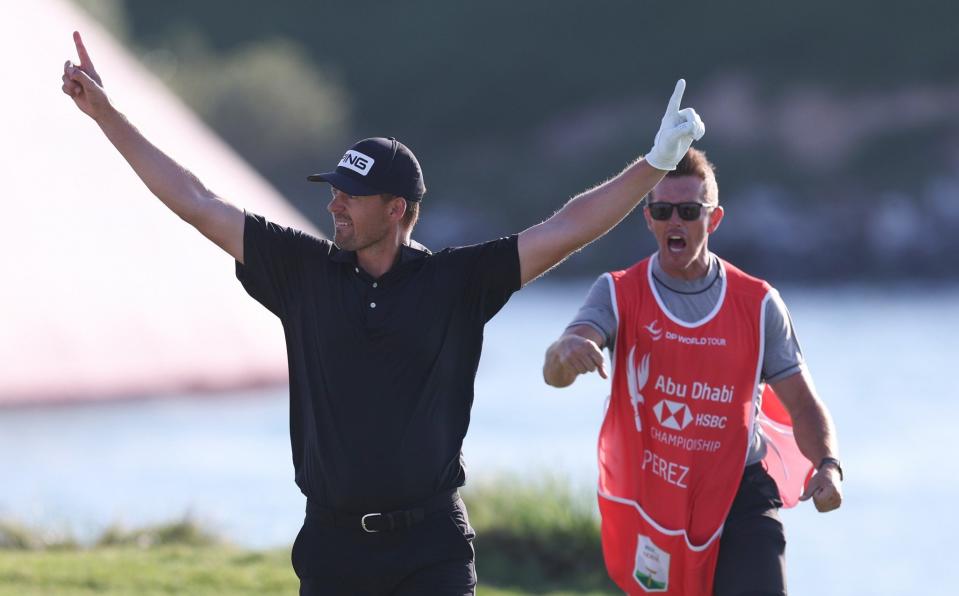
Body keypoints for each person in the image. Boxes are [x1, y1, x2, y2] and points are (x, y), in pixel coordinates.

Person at [61, 30, 705, 595]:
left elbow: (565, 228)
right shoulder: (301, 271)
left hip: (431, 549)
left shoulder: (456, 281)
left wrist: (654, 168)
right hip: (333, 547)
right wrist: (106, 115)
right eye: (334, 191)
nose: (335, 204)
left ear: (396, 209)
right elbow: (198, 201)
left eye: (352, 195)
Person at [542, 147, 843, 595]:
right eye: (662, 211)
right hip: (656, 504)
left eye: (688, 210)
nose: (674, 222)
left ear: (714, 219)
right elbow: (561, 363)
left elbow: (803, 403)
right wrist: (568, 350)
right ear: (648, 218)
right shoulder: (618, 292)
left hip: (742, 496)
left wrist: (828, 466)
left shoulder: (758, 304)